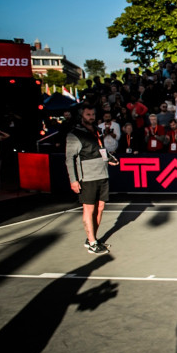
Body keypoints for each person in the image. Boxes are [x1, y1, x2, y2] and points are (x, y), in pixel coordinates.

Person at [65, 105, 116, 255]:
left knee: (100, 208)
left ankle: (91, 239)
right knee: (89, 209)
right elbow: (69, 159)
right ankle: (92, 243)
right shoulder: (74, 134)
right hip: (87, 177)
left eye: (93, 114)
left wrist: (109, 158)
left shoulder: (96, 132)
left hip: (102, 174)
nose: (91, 117)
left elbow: (101, 150)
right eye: (88, 114)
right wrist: (73, 180)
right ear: (82, 116)